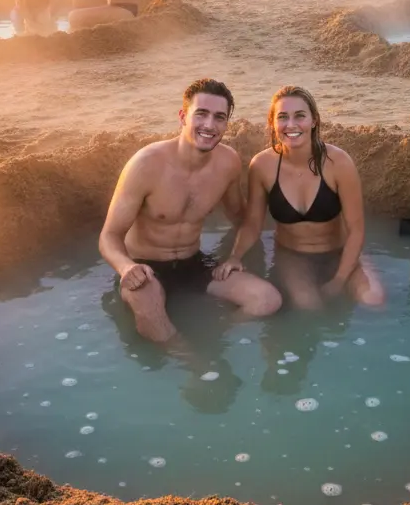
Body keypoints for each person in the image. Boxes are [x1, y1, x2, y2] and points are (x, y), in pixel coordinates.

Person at [98, 79, 282, 343]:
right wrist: (127, 267)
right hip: (146, 271)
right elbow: (109, 236)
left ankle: (214, 335)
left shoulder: (227, 163)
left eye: (219, 117)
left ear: (226, 124)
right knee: (152, 319)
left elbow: (241, 218)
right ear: (183, 117)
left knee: (267, 300)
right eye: (201, 114)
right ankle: (191, 361)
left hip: (194, 263)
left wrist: (237, 256)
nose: (210, 125)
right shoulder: (146, 165)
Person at [219, 86, 384, 310]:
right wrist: (235, 257)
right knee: (309, 308)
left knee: (374, 301)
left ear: (314, 120)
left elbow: (356, 230)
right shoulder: (262, 166)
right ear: (273, 123)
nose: (291, 125)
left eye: (300, 116)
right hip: (293, 256)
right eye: (283, 117)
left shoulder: (339, 163)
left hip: (341, 252)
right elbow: (252, 223)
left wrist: (339, 280)